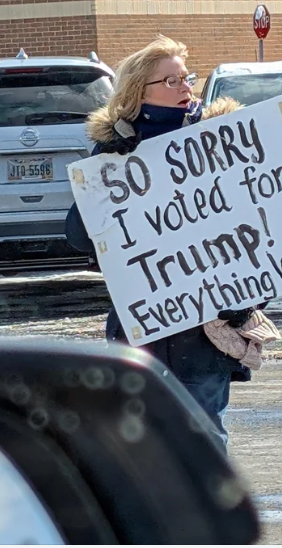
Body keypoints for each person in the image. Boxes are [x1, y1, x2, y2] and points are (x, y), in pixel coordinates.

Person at [65, 35, 256, 449]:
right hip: (142, 331)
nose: (186, 86)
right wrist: (105, 167)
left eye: (187, 77)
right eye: (171, 80)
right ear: (139, 92)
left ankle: (212, 513)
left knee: (204, 434)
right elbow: (80, 236)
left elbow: (260, 227)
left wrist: (245, 298)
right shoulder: (114, 152)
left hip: (207, 327)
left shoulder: (219, 140)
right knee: (146, 443)